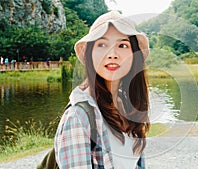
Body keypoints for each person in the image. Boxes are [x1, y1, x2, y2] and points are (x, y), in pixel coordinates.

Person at [54, 11, 150, 169]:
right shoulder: (79, 117)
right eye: (102, 44)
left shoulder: (127, 106)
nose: (112, 54)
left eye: (122, 45)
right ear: (90, 54)